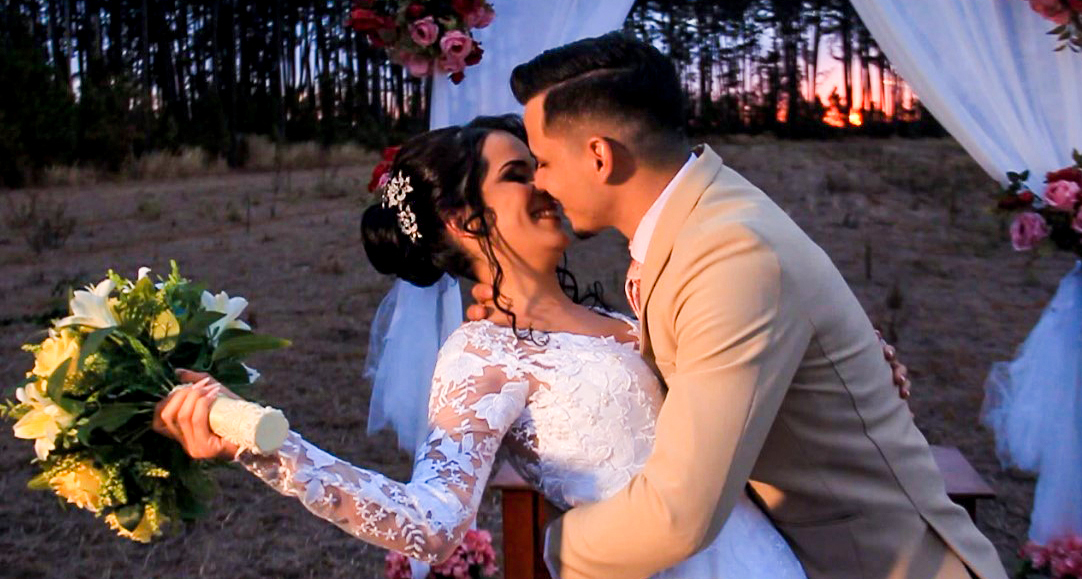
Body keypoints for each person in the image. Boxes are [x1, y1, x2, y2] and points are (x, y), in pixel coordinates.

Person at [155, 115, 911, 577]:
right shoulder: (482, 357)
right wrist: (267, 447)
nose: (548, 184)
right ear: (463, 219)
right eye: (520, 174)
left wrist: (820, 368)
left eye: (540, 166)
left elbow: (725, 409)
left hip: (764, 554)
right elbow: (431, 522)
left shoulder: (625, 309)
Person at [454, 32, 1004, 579]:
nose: (541, 184)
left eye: (544, 162)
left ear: (600, 156)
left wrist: (553, 548)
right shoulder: (697, 220)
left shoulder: (729, 256)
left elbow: (678, 515)